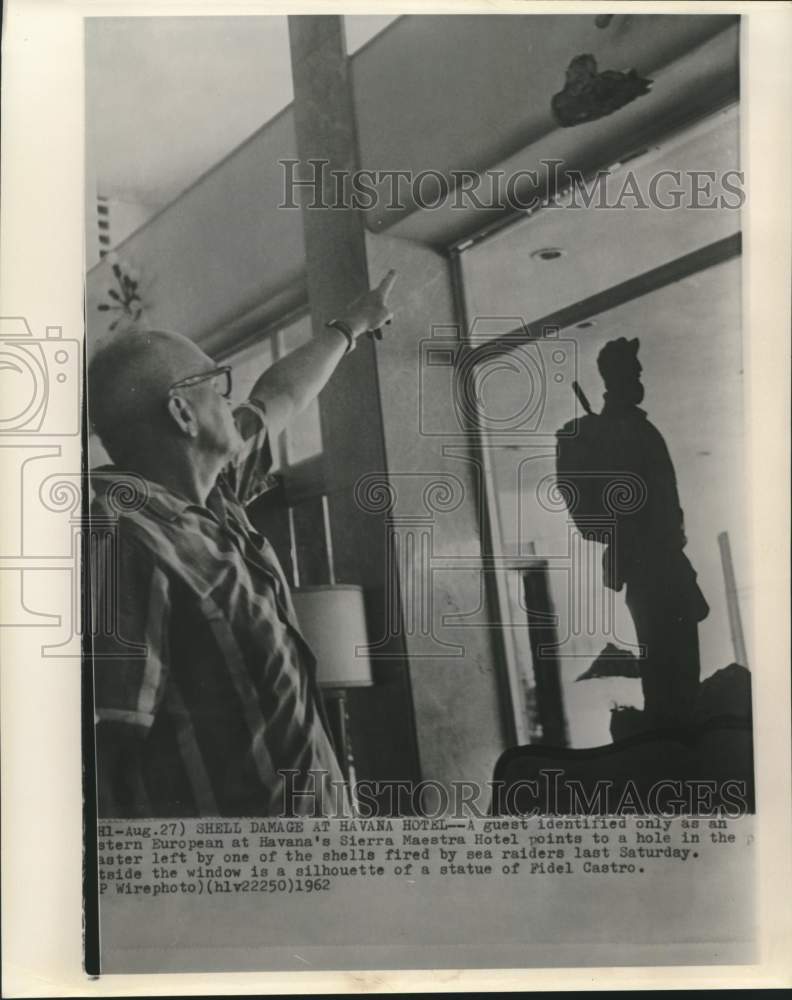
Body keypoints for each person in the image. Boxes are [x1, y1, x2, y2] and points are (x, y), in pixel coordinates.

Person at [88, 272, 397, 818]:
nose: (231, 399)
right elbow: (99, 751)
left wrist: (352, 325)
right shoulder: (117, 536)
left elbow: (279, 396)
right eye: (216, 384)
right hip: (235, 891)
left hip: (320, 860)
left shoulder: (216, 494)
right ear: (183, 414)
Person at [558, 337, 709, 730]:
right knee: (670, 687)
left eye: (638, 371)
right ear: (615, 377)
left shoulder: (637, 430)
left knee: (681, 684)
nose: (640, 377)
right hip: (651, 571)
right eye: (633, 371)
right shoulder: (605, 436)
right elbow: (597, 521)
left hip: (667, 568)